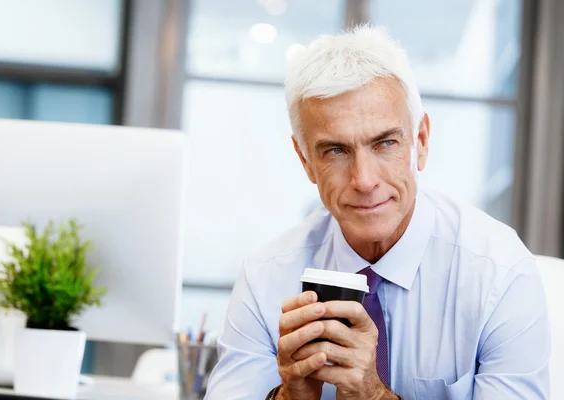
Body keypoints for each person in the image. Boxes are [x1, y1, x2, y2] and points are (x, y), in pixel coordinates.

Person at [205, 25, 550, 400]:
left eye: (385, 143)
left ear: (420, 141)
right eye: (335, 151)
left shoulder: (499, 273)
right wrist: (290, 396)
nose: (364, 180)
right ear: (305, 160)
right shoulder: (264, 278)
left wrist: (372, 394)